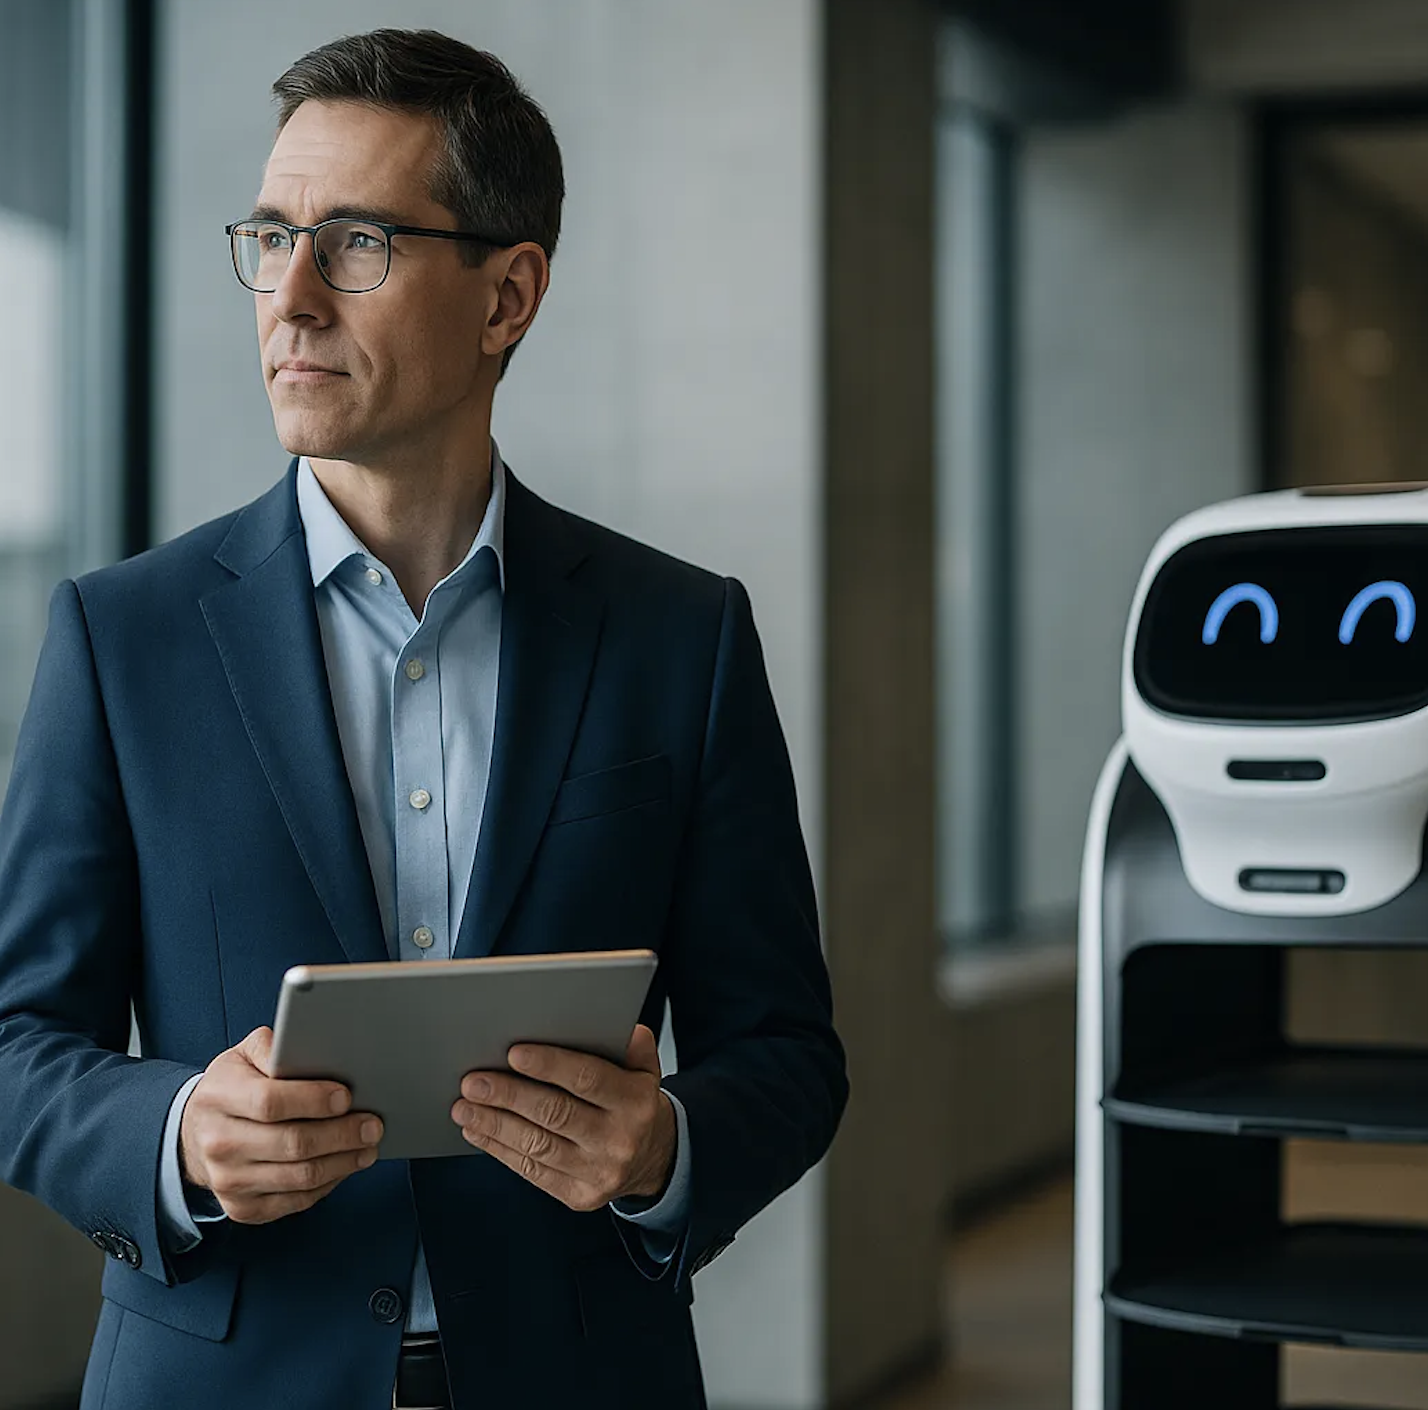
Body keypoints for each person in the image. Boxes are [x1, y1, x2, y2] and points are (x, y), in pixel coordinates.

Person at [0, 27, 846, 1410]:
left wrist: (662, 1145)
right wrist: (175, 1136)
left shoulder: (678, 636)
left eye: (356, 244)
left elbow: (789, 1053)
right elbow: (18, 1037)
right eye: (270, 238)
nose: (291, 296)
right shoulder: (122, 636)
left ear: (507, 294)